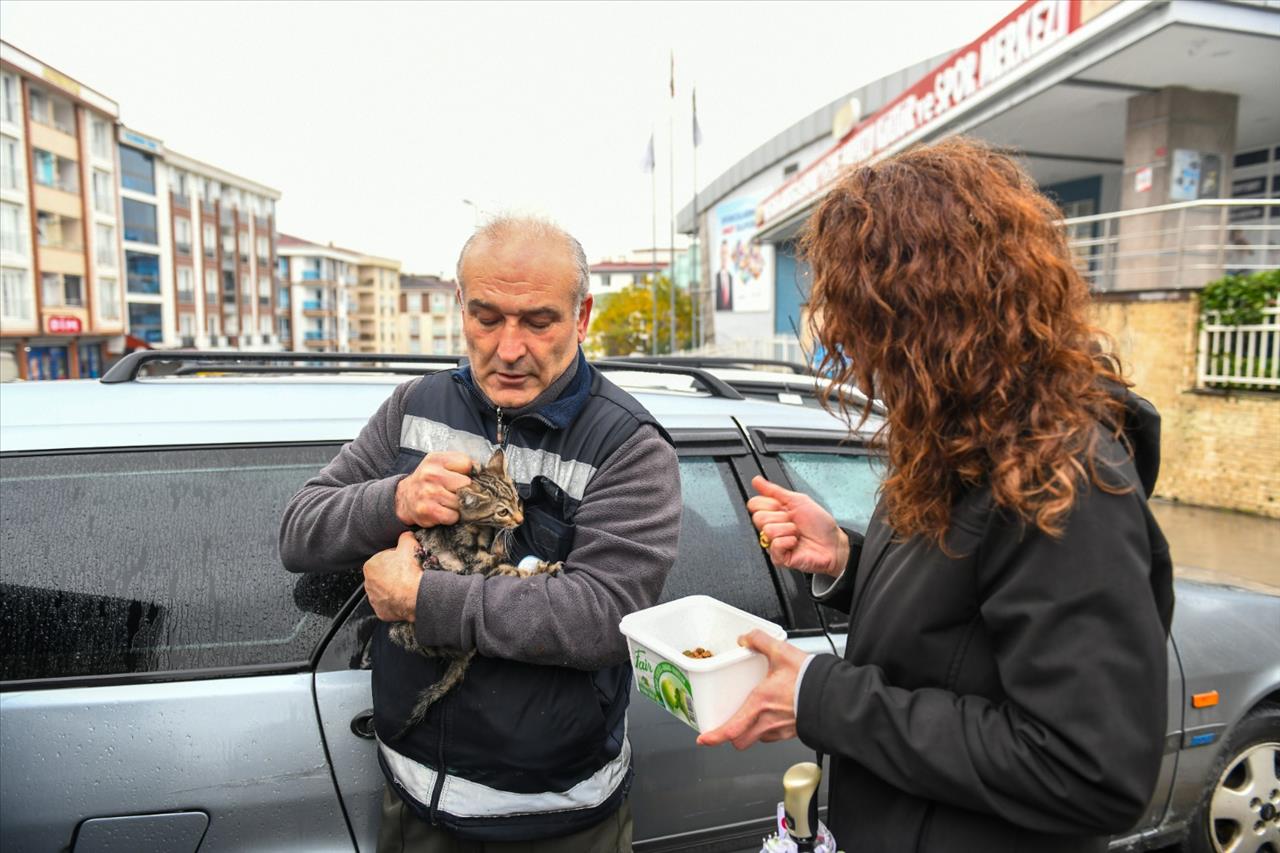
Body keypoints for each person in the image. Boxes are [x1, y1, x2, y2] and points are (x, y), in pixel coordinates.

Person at [696, 138, 1173, 853]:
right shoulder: (959, 435)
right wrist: (844, 561)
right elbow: (960, 626)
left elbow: (1090, 767)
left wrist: (818, 695)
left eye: (864, 319)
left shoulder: (1063, 479)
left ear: (930, 314)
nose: (849, 349)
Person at [279, 215, 682, 851]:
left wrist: (421, 601)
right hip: (411, 800)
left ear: (581, 319)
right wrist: (397, 497)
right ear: (460, 306)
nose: (509, 348)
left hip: (556, 821)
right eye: (487, 317)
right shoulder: (413, 406)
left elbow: (603, 616)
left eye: (538, 321)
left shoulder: (627, 447)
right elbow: (299, 531)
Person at [714, 240, 735, 311]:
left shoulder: (732, 278)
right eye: (722, 253)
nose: (724, 256)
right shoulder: (715, 277)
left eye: (726, 253)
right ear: (719, 255)